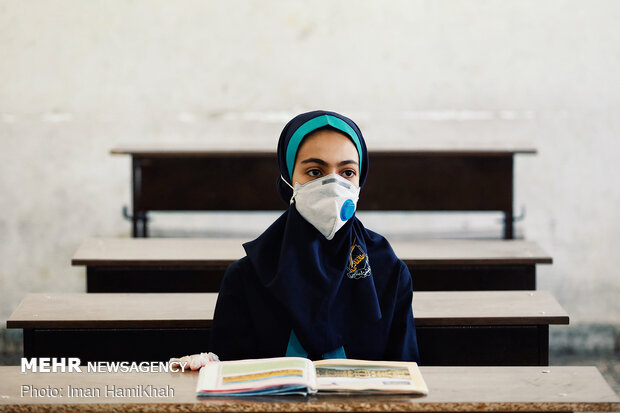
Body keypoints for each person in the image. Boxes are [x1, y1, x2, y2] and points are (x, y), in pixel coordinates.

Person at [208, 110, 419, 363]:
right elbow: (227, 378)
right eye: (315, 172)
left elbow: (407, 372)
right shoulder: (248, 276)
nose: (334, 185)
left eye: (347, 172)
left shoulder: (388, 272)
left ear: (360, 181)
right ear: (288, 180)